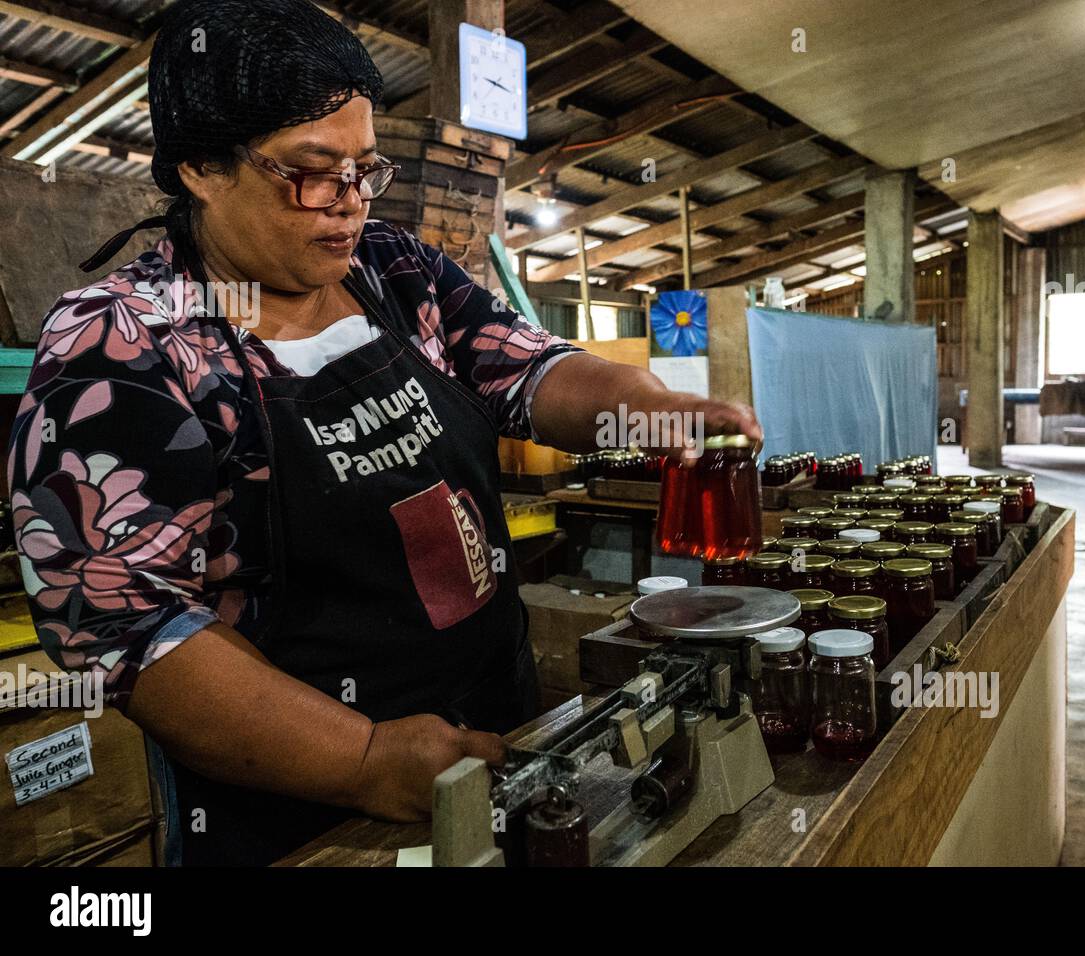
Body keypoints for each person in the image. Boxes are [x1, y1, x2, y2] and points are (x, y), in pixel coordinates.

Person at [7, 0, 760, 866]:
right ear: (200, 168)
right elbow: (122, 626)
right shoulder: (125, 343)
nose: (350, 204)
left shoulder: (396, 274)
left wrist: (649, 403)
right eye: (312, 173)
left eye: (367, 171)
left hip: (498, 743)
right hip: (307, 815)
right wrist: (363, 760)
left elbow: (531, 368)